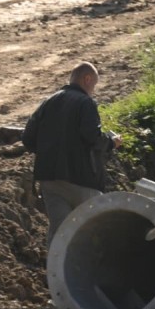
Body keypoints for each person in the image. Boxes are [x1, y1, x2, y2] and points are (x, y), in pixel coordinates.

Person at [22, 62, 122, 246]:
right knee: (94, 230)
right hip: (81, 179)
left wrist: (48, 151)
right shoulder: (85, 103)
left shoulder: (48, 101)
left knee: (60, 232)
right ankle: (90, 273)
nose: (93, 90)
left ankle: (54, 273)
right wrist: (111, 143)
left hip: (49, 179)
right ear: (87, 79)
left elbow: (28, 138)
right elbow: (92, 137)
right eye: (95, 85)